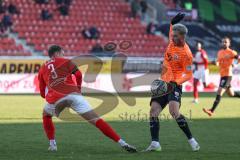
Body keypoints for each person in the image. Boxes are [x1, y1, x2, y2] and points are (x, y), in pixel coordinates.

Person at [38, 45, 137, 152]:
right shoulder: (66, 61)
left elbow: (42, 91)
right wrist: (78, 90)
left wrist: (49, 96)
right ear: (56, 53)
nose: (63, 55)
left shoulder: (43, 67)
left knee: (46, 115)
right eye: (62, 53)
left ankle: (52, 145)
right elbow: (79, 75)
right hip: (73, 94)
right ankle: (122, 142)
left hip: (55, 98)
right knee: (96, 120)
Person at [145, 13, 200, 152]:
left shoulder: (187, 53)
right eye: (172, 35)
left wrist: (176, 81)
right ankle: (155, 143)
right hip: (162, 83)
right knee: (153, 112)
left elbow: (188, 74)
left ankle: (191, 140)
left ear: (182, 36)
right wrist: (172, 21)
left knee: (174, 112)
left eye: (175, 36)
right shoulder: (171, 41)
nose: (172, 37)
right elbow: (171, 29)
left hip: (174, 84)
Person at [203, 37, 240, 116]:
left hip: (228, 75)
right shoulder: (219, 52)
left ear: (229, 43)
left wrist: (236, 64)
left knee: (219, 91)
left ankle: (211, 110)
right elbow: (218, 63)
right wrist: (214, 63)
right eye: (223, 42)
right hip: (222, 75)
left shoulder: (232, 52)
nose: (224, 43)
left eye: (226, 42)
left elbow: (239, 58)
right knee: (231, 94)